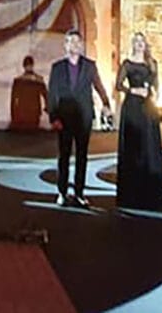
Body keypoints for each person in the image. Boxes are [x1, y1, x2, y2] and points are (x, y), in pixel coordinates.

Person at [46, 28, 111, 207]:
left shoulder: (90, 66)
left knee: (82, 156)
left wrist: (106, 105)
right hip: (64, 118)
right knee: (64, 156)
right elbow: (52, 94)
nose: (74, 45)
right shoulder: (57, 68)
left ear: (81, 45)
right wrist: (54, 117)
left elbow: (99, 86)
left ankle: (80, 193)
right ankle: (61, 192)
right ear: (65, 46)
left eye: (77, 42)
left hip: (84, 117)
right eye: (70, 41)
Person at [114, 32, 162, 209]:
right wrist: (134, 91)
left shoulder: (152, 64)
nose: (139, 44)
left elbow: (156, 84)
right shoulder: (127, 64)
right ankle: (132, 194)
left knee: (149, 147)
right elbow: (119, 85)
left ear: (145, 45)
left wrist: (153, 92)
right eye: (136, 41)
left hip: (148, 108)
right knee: (133, 146)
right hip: (132, 107)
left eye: (141, 41)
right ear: (133, 44)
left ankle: (151, 193)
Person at [10, 55, 49, 130]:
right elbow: (46, 95)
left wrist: (13, 114)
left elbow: (13, 99)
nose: (28, 67)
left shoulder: (18, 81)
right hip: (30, 112)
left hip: (23, 112)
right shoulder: (37, 79)